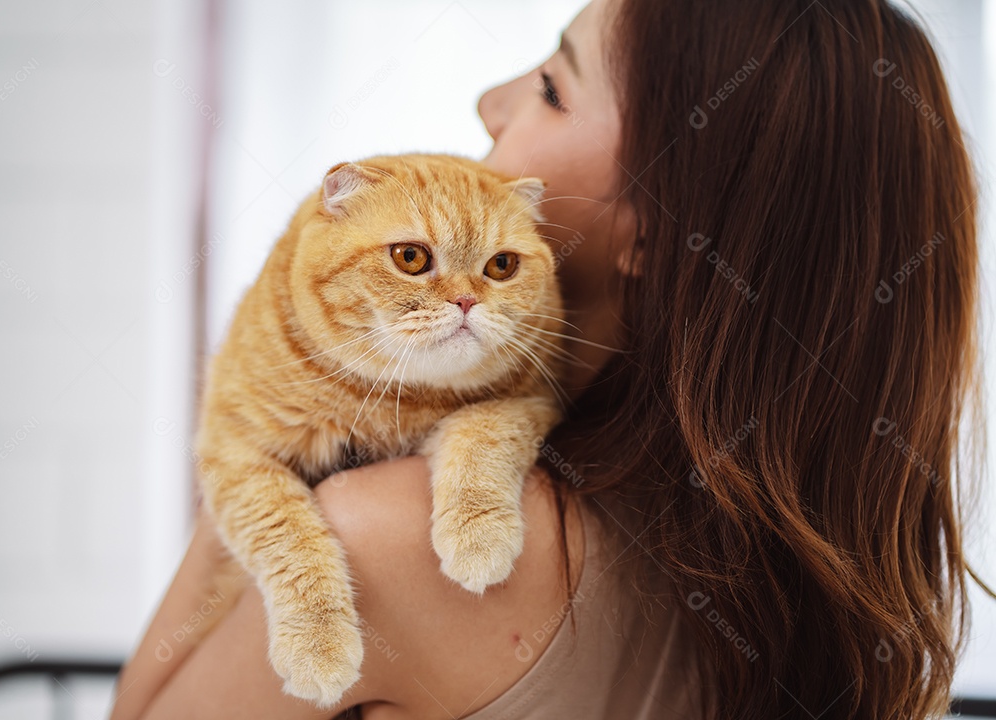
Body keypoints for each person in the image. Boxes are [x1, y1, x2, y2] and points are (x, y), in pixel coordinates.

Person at [110, 0, 993, 717]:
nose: (492, 103)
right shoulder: (823, 594)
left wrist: (255, 401)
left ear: (655, 227)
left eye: (551, 86)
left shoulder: (387, 539)